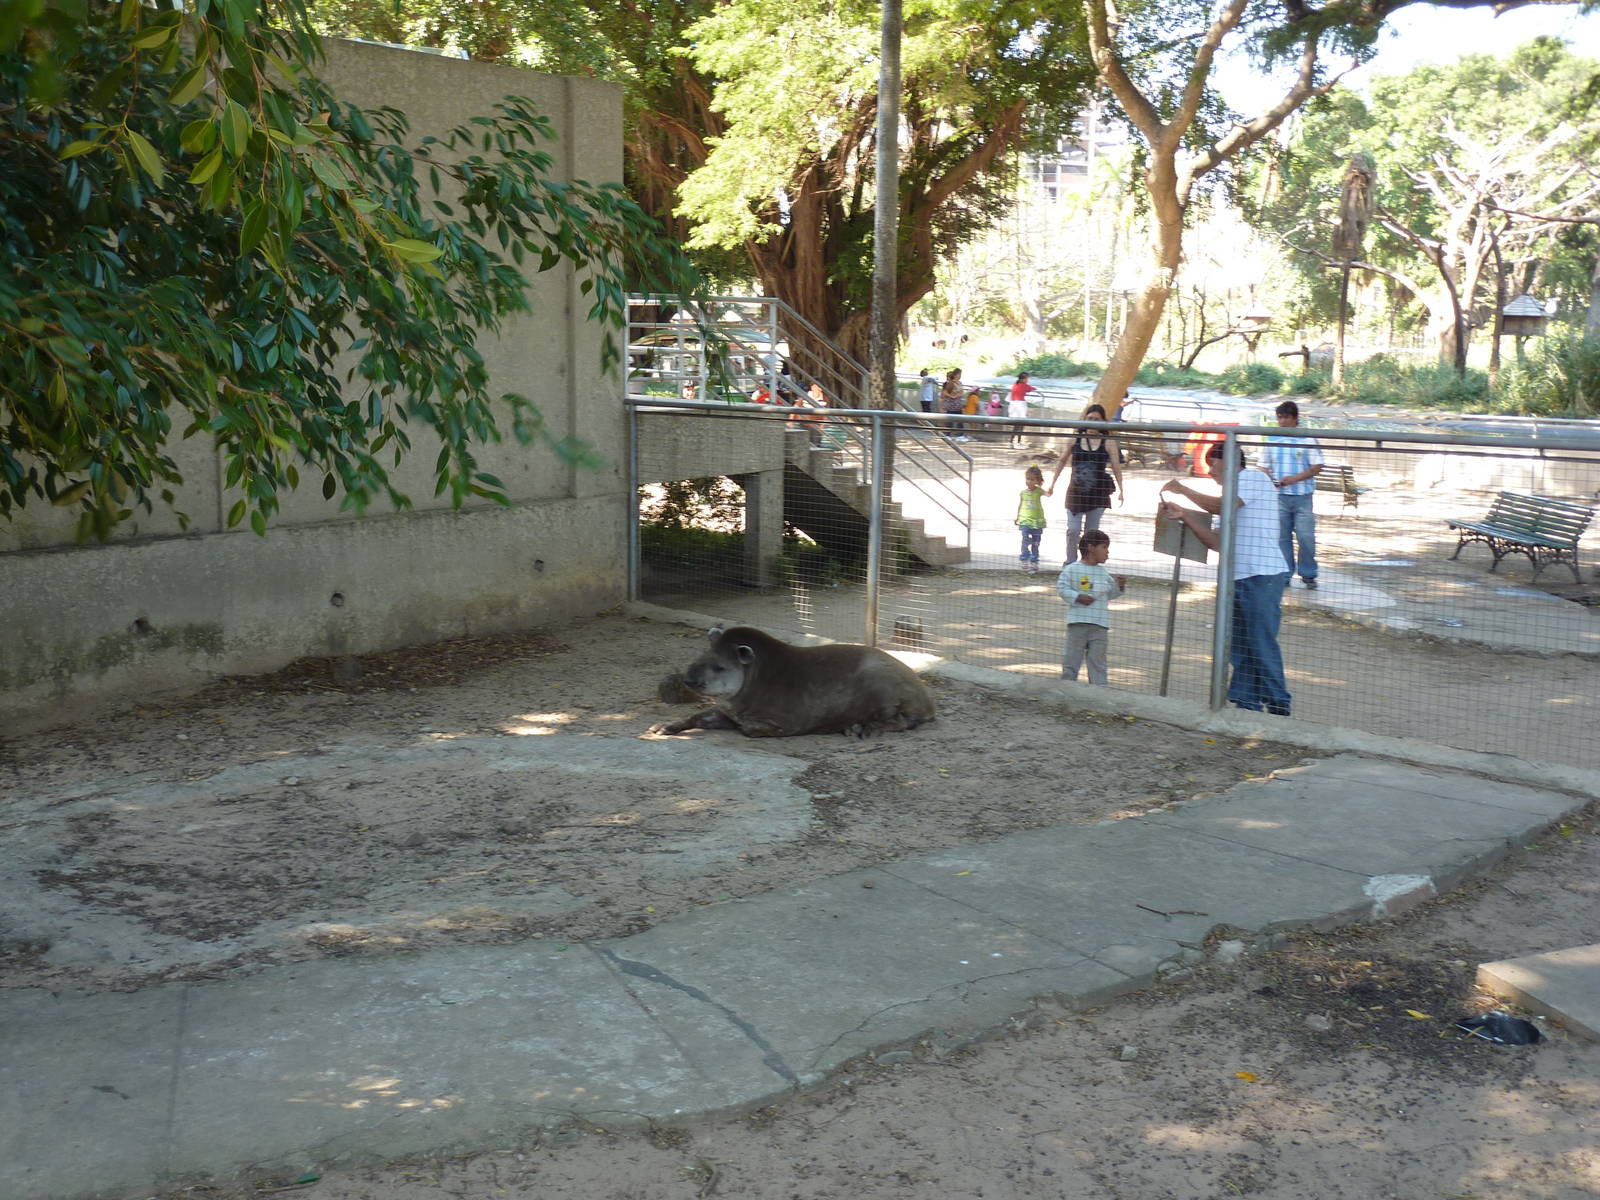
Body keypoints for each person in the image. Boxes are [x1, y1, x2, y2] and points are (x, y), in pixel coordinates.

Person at [1161, 442, 1292, 715]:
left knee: (1259, 641)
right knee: (1241, 643)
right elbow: (1216, 542)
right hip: (1238, 577)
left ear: (1229, 461)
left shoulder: (1251, 478)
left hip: (1262, 575)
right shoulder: (1230, 493)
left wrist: (1183, 490)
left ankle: (1279, 703)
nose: (1211, 471)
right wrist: (1184, 515)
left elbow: (1222, 507)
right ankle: (1245, 703)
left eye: (1213, 464)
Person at [1045, 403, 1124, 565]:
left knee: (1091, 534)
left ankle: (1087, 566)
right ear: (1084, 419)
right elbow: (1061, 461)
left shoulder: (1107, 442)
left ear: (1103, 422)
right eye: (1090, 418)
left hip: (1098, 495)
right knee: (1073, 530)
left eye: (1096, 419)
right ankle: (1070, 563)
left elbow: (1116, 466)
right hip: (1076, 494)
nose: (1092, 422)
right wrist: (1052, 484)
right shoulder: (1075, 439)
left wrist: (1122, 489)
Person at [1258, 399, 1324, 590]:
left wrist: (1295, 478)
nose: (1282, 421)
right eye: (1279, 417)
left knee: (1306, 537)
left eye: (1286, 417)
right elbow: (1263, 466)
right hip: (1279, 496)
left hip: (1302, 496)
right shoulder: (1272, 439)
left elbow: (1317, 466)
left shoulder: (1307, 439)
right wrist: (1270, 479)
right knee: (1282, 537)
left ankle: (1308, 573)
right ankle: (1284, 573)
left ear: (1295, 418)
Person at [1056, 529, 1125, 685]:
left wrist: (1120, 586)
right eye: (1104, 547)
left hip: (1100, 625)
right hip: (1078, 623)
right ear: (1091, 548)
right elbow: (1062, 588)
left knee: (1098, 661)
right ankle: (1066, 688)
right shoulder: (1072, 569)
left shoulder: (1103, 572)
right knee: (1072, 659)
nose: (1107, 552)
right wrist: (1078, 597)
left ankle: (1099, 691)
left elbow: (1109, 594)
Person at [1016, 465, 1048, 574]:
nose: (1029, 481)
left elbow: (1048, 494)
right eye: (1027, 478)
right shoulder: (1023, 493)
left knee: (1036, 542)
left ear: (1037, 481)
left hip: (1037, 521)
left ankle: (1034, 561)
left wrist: (1050, 490)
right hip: (1025, 520)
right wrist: (1017, 517)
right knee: (1025, 539)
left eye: (1032, 479)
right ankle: (1024, 558)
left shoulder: (1038, 491)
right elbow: (1020, 505)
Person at [1007, 372, 1039, 448]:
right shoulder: (1024, 386)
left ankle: (1011, 442)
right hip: (1020, 406)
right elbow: (1032, 388)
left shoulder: (1015, 384)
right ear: (1023, 379)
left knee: (1016, 426)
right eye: (1027, 378)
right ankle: (1018, 442)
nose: (1027, 380)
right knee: (1021, 425)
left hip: (1013, 406)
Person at [939, 368, 969, 442]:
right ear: (956, 375)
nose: (960, 376)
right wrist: (951, 396)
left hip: (958, 404)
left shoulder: (959, 383)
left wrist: (960, 396)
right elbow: (944, 392)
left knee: (960, 420)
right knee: (950, 420)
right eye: (959, 374)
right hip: (952, 405)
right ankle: (948, 434)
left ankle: (960, 435)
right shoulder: (950, 383)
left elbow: (961, 392)